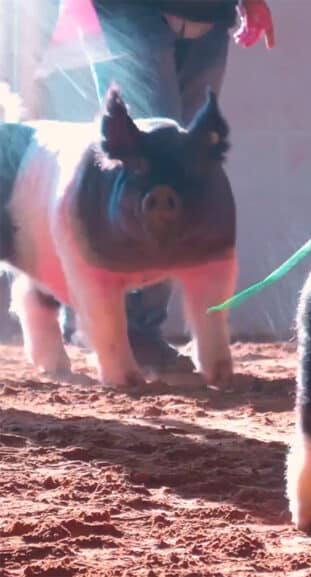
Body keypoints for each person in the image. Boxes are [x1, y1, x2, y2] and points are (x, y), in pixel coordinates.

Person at [59, 0, 275, 371]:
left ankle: (123, 319)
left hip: (208, 14)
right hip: (131, 10)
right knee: (148, 155)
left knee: (176, 164)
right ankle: (129, 325)